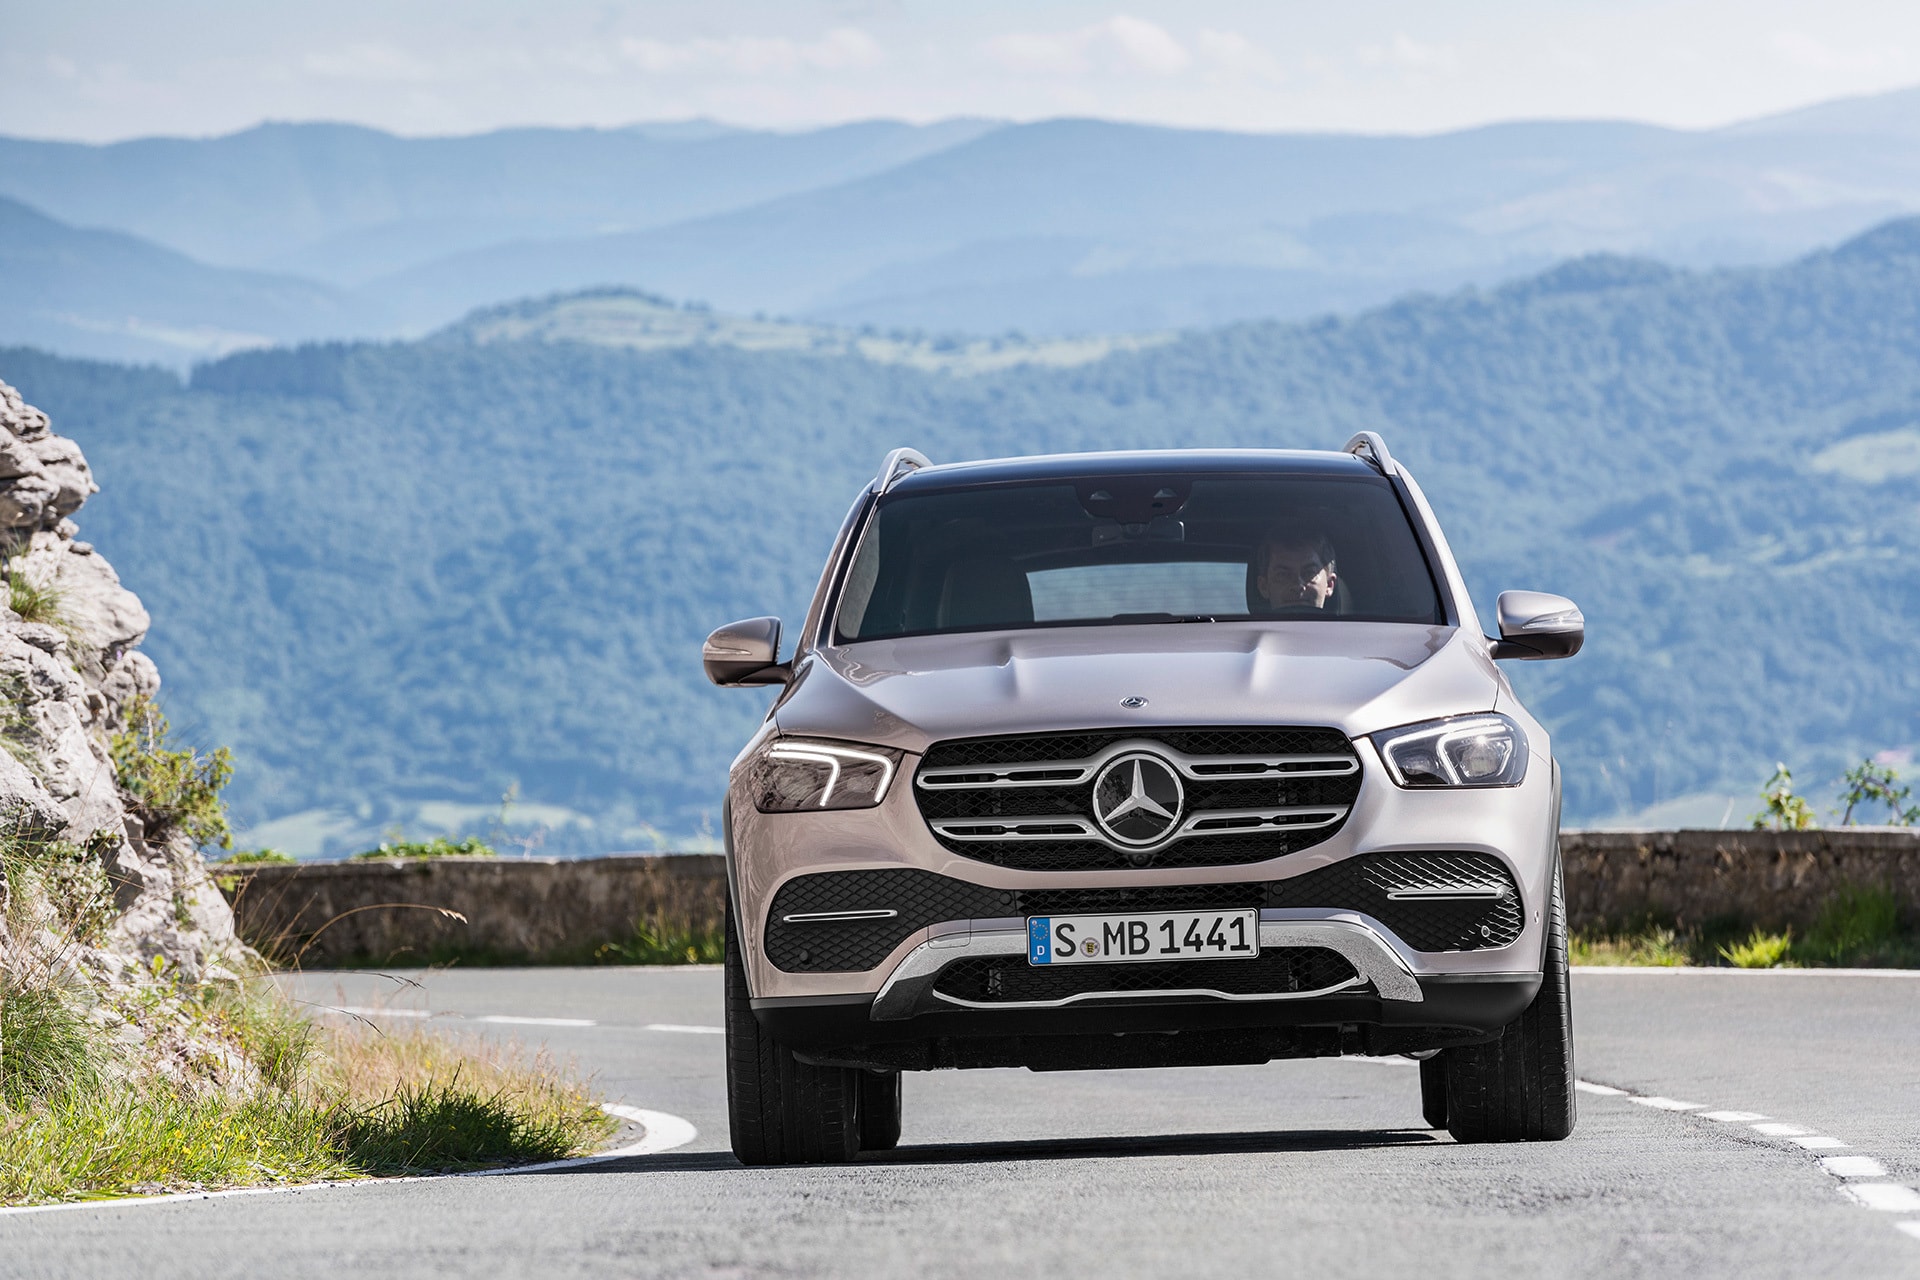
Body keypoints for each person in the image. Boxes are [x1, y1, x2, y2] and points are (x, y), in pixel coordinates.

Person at [1252, 522, 1338, 611]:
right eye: (1283, 575)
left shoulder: (1350, 625)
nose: (1298, 586)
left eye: (1309, 573)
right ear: (1264, 586)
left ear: (1329, 584)